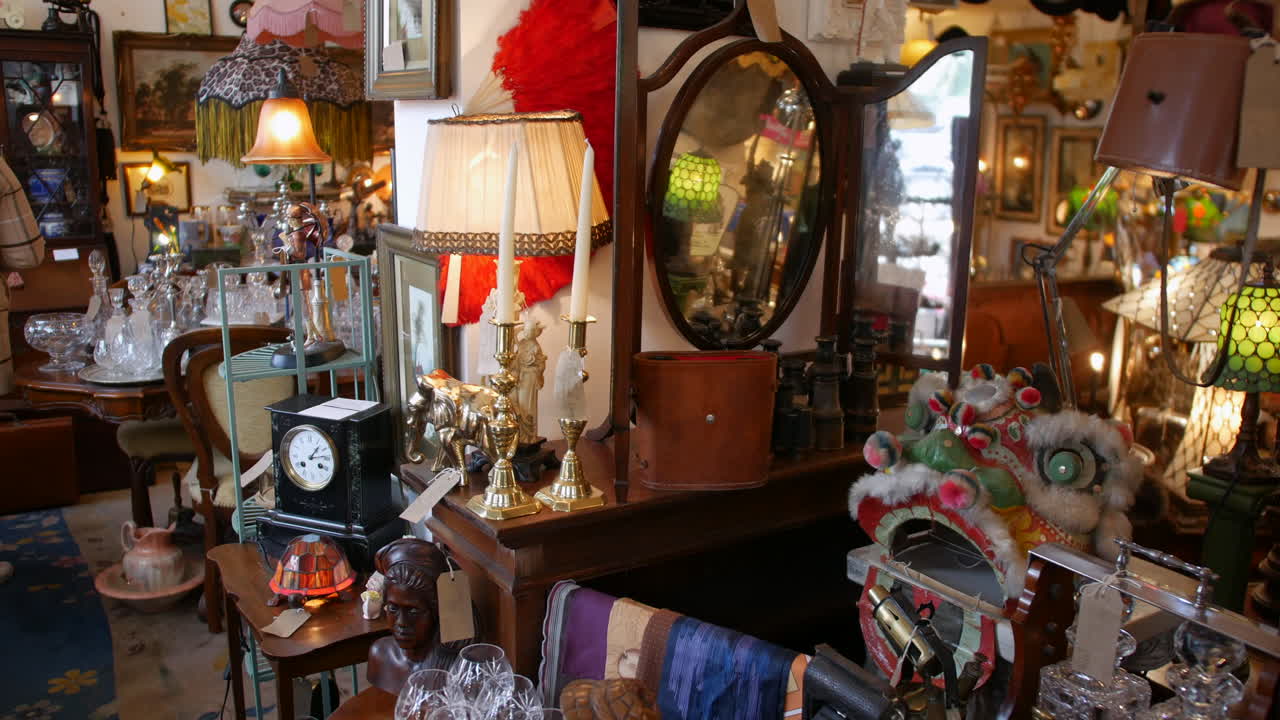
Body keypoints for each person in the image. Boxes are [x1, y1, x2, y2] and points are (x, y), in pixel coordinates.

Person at [366, 538, 465, 695]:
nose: (402, 623)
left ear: (436, 610)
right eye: (393, 608)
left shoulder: (453, 669)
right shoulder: (380, 653)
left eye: (413, 611)